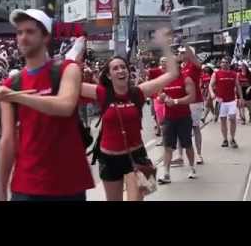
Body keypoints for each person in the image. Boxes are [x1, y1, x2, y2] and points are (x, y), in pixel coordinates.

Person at [0, 8, 94, 201]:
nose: (22, 38)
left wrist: (16, 96)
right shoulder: (11, 84)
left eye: (29, 32)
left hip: (68, 185)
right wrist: (1, 189)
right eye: (19, 33)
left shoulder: (68, 70)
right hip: (26, 186)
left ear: (45, 37)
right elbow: (7, 142)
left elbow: (65, 105)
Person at [80, 28, 178, 201]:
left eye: (123, 67)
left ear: (128, 70)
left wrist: (165, 46)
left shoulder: (138, 93)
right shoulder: (102, 93)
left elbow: (172, 74)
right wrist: (78, 55)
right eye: (115, 68)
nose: (120, 71)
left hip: (137, 156)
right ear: (109, 75)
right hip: (108, 159)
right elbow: (71, 85)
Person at [157, 51, 197, 185]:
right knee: (168, 147)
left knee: (187, 145)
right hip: (169, 118)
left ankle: (192, 168)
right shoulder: (165, 79)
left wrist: (175, 102)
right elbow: (160, 94)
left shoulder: (186, 78)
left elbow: (191, 97)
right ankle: (166, 174)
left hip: (183, 117)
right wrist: (162, 98)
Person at [176, 45, 204, 165]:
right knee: (179, 128)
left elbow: (198, 63)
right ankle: (180, 156)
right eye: (180, 52)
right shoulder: (181, 67)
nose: (181, 54)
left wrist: (189, 50)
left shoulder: (194, 66)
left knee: (195, 127)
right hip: (183, 101)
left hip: (195, 101)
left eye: (183, 52)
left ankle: (199, 155)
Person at [209, 57, 244, 148]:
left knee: (232, 119)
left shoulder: (234, 74)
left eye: (226, 62)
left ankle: (232, 138)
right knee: (223, 120)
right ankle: (225, 139)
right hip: (220, 101)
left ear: (229, 64)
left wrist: (241, 98)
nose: (224, 64)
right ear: (220, 64)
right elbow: (210, 85)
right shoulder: (216, 74)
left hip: (231, 101)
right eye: (222, 62)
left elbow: (238, 86)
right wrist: (212, 93)